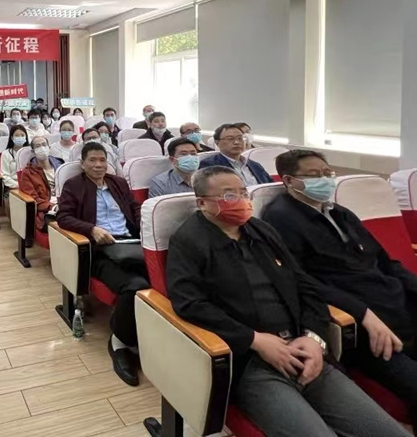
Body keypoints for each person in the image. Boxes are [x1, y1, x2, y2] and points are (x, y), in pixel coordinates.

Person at [167, 166, 409, 437]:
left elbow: (304, 285)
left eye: (243, 193)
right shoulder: (188, 241)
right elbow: (190, 304)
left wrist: (314, 338)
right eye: (228, 195)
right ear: (202, 203)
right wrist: (254, 340)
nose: (241, 200)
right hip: (252, 364)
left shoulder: (261, 231)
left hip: (303, 349)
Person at [263, 150, 417, 423]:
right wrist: (362, 313)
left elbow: (386, 262)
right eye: (314, 175)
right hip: (362, 325)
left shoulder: (340, 212)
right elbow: (301, 281)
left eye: (327, 173)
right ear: (288, 180)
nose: (325, 180)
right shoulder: (280, 219)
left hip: (398, 304)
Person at [57, 142, 147, 386]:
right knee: (135, 286)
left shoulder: (118, 183)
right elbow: (63, 217)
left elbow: (134, 208)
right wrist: (91, 229)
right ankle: (120, 341)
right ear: (82, 163)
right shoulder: (74, 185)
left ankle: (150, 335)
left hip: (131, 243)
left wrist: (146, 226)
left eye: (102, 160)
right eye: (92, 160)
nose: (98, 165)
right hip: (99, 249)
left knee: (162, 279)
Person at [199, 123, 272, 186]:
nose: (236, 142)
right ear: (217, 143)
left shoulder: (255, 165)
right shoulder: (209, 165)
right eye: (230, 139)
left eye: (240, 138)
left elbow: (270, 187)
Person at [20, 135, 64, 231]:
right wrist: (54, 207)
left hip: (65, 204)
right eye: (38, 146)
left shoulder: (61, 166)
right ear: (33, 151)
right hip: (47, 210)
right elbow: (34, 199)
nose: (42, 148)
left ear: (49, 147)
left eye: (44, 145)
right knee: (64, 222)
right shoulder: (28, 172)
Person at [0, 125, 29, 198]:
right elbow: (5, 176)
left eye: (22, 135)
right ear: (12, 138)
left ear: (26, 137)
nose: (20, 137)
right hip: (13, 187)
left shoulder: (30, 153)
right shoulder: (6, 154)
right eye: (17, 135)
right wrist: (18, 185)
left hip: (29, 186)